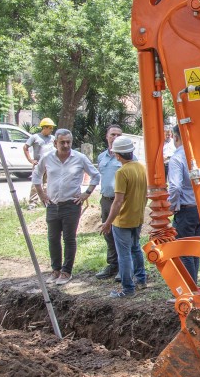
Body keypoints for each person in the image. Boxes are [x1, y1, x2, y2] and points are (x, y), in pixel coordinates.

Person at [31, 128, 100, 285]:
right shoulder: (47, 158)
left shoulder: (80, 158)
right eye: (62, 142)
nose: (66, 145)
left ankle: (66, 271)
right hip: (53, 205)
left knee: (69, 239)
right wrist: (41, 194)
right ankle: (55, 270)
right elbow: (36, 174)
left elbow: (96, 175)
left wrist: (86, 193)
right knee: (53, 238)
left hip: (71, 205)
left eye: (68, 142)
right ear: (55, 143)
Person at [99, 136, 148, 298]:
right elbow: (145, 195)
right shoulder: (141, 168)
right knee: (135, 248)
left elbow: (118, 201)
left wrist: (107, 222)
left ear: (118, 155)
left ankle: (128, 289)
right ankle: (141, 280)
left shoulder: (121, 172)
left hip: (123, 221)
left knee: (124, 254)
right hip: (137, 218)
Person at [168, 124, 200, 283]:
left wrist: (172, 205)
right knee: (194, 248)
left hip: (186, 210)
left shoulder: (177, 158)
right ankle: (193, 286)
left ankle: (190, 290)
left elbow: (175, 186)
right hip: (199, 209)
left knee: (184, 250)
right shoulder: (197, 155)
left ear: (175, 137)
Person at [95, 124, 124, 280]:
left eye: (119, 135)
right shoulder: (101, 157)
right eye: (113, 134)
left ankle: (124, 267)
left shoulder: (128, 158)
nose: (115, 137)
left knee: (122, 235)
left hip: (121, 202)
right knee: (108, 234)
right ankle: (112, 265)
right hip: (106, 200)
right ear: (107, 136)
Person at [23, 118, 56, 207]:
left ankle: (46, 202)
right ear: (44, 127)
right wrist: (31, 160)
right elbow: (25, 147)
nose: (51, 130)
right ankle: (33, 203)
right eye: (50, 128)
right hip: (38, 164)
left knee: (47, 183)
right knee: (36, 183)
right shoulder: (35, 137)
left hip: (49, 164)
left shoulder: (52, 138)